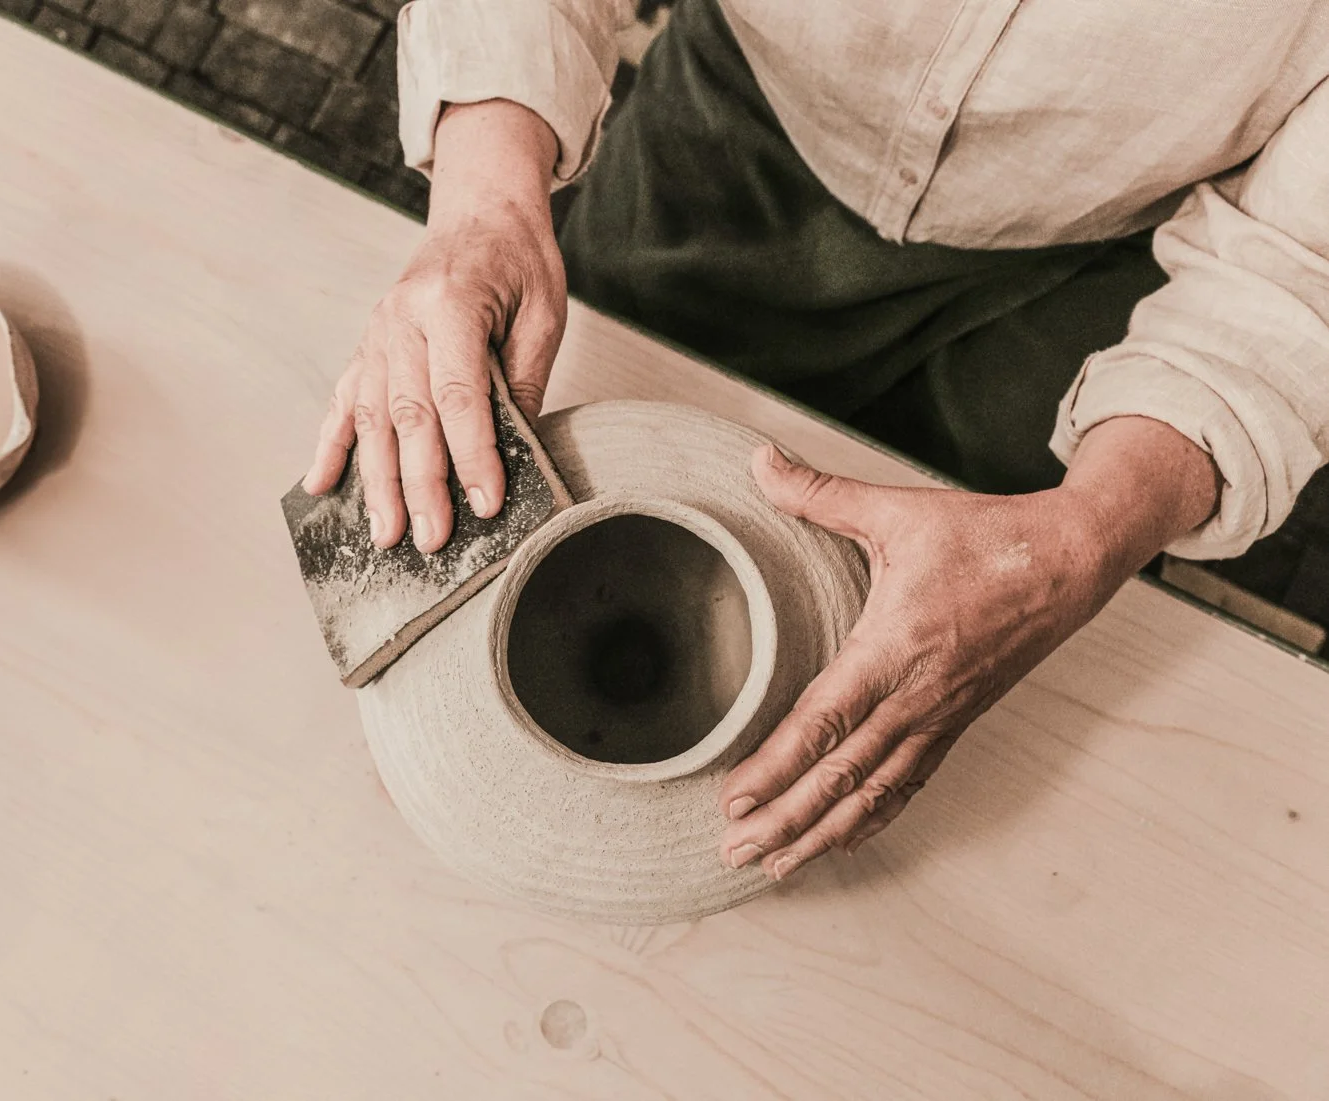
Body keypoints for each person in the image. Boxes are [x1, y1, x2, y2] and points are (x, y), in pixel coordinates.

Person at [304, 0, 1329, 881]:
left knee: (931, 698)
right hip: (731, 123)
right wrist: (484, 204)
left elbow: (1300, 275)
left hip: (1099, 263)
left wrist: (1087, 533)